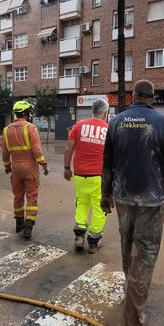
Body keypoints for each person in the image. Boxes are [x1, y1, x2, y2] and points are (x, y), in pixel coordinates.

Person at [101, 80, 164, 326]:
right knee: (145, 254)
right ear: (153, 97)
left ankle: (131, 297)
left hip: (123, 196)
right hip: (151, 199)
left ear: (133, 96)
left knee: (127, 247)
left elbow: (107, 163)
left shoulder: (116, 122)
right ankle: (133, 321)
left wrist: (105, 194)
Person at [64, 99, 109, 253]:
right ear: (105, 112)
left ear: (92, 111)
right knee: (99, 209)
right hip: (99, 177)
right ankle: (94, 242)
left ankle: (79, 236)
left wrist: (66, 168)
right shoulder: (108, 129)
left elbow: (68, 149)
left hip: (79, 175)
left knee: (81, 204)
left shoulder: (78, 126)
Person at [2, 100, 48, 240]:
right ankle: (28, 227)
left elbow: (5, 153)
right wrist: (44, 164)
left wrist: (7, 167)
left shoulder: (6, 130)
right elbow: (36, 150)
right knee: (32, 196)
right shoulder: (30, 128)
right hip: (29, 168)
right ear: (26, 113)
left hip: (15, 168)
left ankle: (19, 224)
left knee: (18, 196)